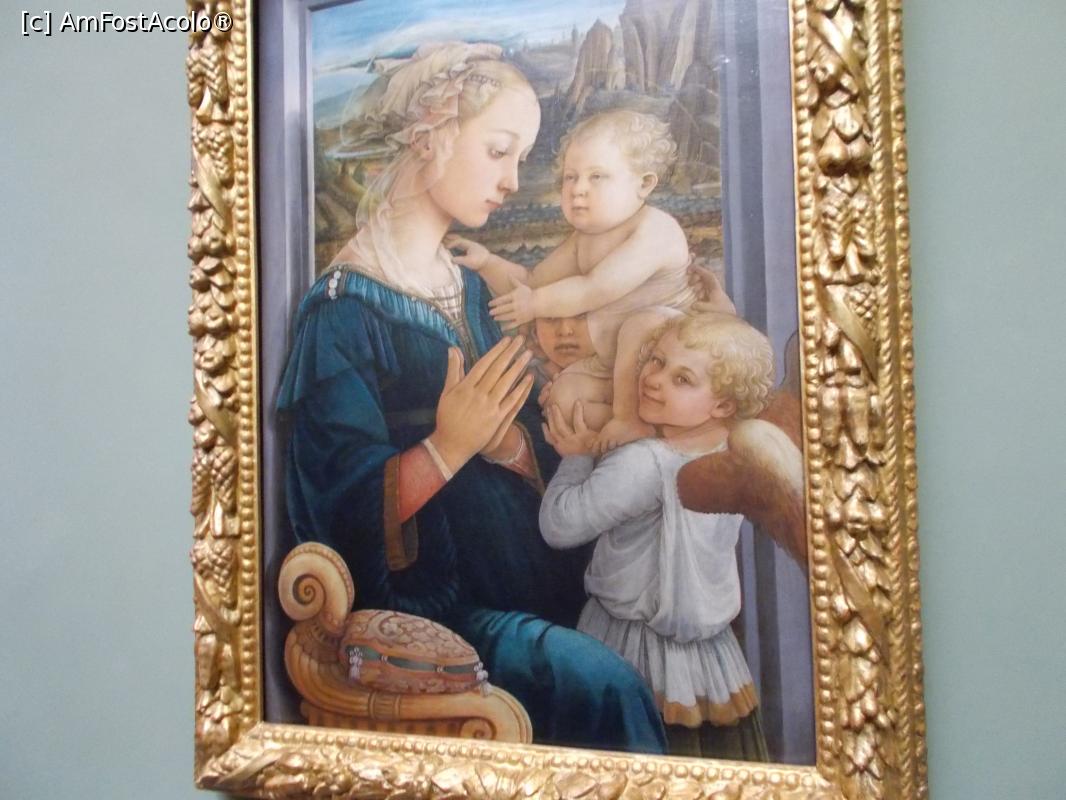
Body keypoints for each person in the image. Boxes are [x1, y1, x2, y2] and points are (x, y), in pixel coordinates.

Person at [276, 42, 666, 754]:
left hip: (537, 579)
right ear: (431, 135)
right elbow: (331, 512)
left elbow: (528, 438)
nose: (513, 181)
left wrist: (512, 444)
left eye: (522, 158)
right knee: (605, 687)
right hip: (440, 613)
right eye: (499, 151)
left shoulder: (474, 290)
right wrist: (445, 448)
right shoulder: (342, 310)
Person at [539, 312, 776, 760]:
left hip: (626, 649)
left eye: (682, 379)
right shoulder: (732, 453)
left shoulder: (645, 463)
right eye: (656, 360)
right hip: (712, 661)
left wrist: (577, 456)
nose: (652, 379)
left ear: (724, 405)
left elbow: (559, 525)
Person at [447, 110, 697, 453]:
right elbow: (532, 281)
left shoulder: (656, 230)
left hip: (666, 357)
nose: (578, 189)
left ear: (644, 184)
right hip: (611, 366)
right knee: (561, 401)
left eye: (597, 177)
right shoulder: (584, 239)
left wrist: (535, 304)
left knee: (642, 323)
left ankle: (631, 420)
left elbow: (596, 288)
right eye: (570, 177)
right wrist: (487, 262)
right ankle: (631, 439)